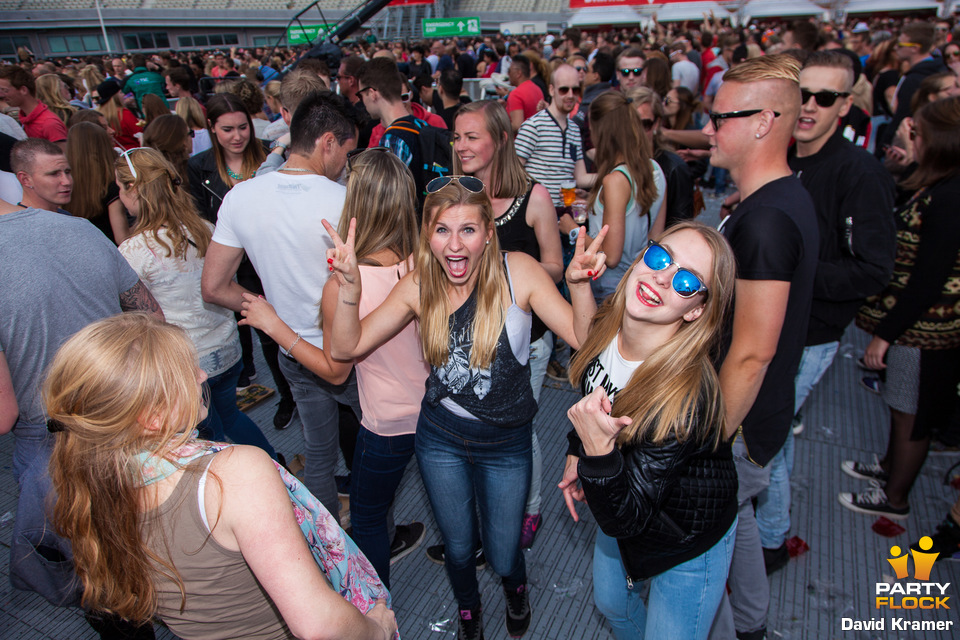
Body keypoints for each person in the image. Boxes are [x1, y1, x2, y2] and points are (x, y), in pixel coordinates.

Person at [325, 176, 607, 640]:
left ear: (489, 233)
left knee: (501, 552)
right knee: (457, 548)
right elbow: (345, 346)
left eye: (468, 230)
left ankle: (515, 588)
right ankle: (469, 612)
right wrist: (350, 288)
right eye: (441, 230)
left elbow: (584, 342)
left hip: (505, 442)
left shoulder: (520, 272)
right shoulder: (419, 284)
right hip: (441, 438)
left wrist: (578, 286)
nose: (454, 245)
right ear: (427, 233)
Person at [43, 314, 398, 640]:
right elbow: (320, 626)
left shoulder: (87, 485)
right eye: (186, 370)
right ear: (152, 417)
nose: (201, 376)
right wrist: (376, 630)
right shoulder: (232, 475)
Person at [240, 148, 426, 588]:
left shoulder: (345, 285)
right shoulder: (424, 262)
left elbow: (336, 370)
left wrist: (275, 327)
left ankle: (373, 609)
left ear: (354, 202)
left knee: (364, 518)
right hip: (435, 410)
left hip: (388, 422)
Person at [559, 222, 738, 640]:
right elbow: (596, 378)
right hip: (625, 494)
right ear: (642, 256)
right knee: (612, 604)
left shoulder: (687, 398)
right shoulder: (612, 323)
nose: (661, 276)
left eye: (686, 280)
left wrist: (596, 453)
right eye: (660, 257)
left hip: (688, 536)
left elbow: (628, 517)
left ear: (695, 310)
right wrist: (577, 448)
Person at [755, 50, 897, 574]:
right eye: (801, 94)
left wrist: (795, 272)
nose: (810, 106)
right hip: (773, 324)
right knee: (770, 433)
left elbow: (873, 269)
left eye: (825, 97)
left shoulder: (859, 174)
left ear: (847, 104)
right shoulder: (784, 156)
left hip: (810, 334)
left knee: (768, 437)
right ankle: (767, 535)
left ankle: (770, 541)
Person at [0, 195, 164, 639]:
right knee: (150, 529)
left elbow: (3, 414)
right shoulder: (76, 228)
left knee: (102, 572)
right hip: (128, 415)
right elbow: (151, 317)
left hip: (55, 443)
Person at [202, 91, 362, 522]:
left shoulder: (240, 197)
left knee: (319, 455)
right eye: (347, 152)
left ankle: (333, 553)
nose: (347, 164)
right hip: (353, 351)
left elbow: (214, 286)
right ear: (328, 142)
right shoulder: (346, 201)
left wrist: (265, 312)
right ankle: (376, 536)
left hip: (293, 350)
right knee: (376, 449)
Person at [703, 54, 818, 640]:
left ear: (764, 121)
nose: (709, 128)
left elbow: (751, 352)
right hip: (759, 416)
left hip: (739, 419)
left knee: (702, 545)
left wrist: (708, 439)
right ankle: (753, 625)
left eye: (720, 117)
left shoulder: (767, 221)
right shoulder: (771, 203)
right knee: (737, 521)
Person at [115, 147, 277, 461]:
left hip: (187, 363)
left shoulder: (132, 251)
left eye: (120, 188)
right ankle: (273, 462)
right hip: (228, 349)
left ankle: (239, 484)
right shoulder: (206, 230)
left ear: (133, 190)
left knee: (208, 434)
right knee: (230, 415)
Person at [845, 97, 960, 520]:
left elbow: (928, 280)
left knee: (911, 415)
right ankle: (889, 468)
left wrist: (885, 335)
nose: (913, 137)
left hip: (925, 331)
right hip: (916, 327)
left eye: (919, 134)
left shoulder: (950, 197)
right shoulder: (937, 182)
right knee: (899, 407)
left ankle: (895, 498)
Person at [188, 92, 293, 428]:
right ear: (212, 129)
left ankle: (291, 397)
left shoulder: (272, 155)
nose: (237, 136)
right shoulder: (197, 167)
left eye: (243, 127)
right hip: (230, 266)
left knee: (278, 332)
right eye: (227, 129)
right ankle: (267, 389)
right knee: (249, 332)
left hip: (270, 260)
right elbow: (199, 219)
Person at [580, 90, 666, 302]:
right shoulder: (654, 169)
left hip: (608, 288)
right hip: (638, 282)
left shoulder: (615, 180)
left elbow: (612, 256)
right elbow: (655, 237)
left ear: (601, 131)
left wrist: (572, 231)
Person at [514, 64, 594, 208]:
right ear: (552, 90)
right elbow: (512, 172)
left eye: (575, 90)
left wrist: (613, 174)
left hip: (564, 213)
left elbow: (581, 178)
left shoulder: (574, 129)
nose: (570, 95)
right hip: (536, 213)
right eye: (564, 90)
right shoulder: (534, 125)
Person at [628, 87, 696, 227]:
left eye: (644, 124)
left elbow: (680, 228)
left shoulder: (674, 168)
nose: (636, 132)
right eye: (631, 123)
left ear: (657, 123)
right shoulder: (618, 161)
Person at [65, 122, 130, 244]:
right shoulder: (110, 185)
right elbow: (122, 238)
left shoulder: (64, 185)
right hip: (108, 249)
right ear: (102, 147)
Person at [0, 65, 68, 145]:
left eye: (5, 90)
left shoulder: (48, 123)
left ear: (23, 90)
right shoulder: (24, 120)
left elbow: (62, 155)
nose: (1, 95)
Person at [10, 137, 73, 214]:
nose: (67, 182)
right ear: (25, 179)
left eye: (67, 172)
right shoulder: (15, 224)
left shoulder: (67, 217)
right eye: (54, 174)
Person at [143, 114, 192, 184]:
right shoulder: (194, 172)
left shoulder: (144, 175)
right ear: (183, 141)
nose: (192, 138)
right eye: (191, 133)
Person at [97, 78, 141, 150]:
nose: (123, 94)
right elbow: (139, 134)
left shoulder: (99, 116)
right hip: (133, 153)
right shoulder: (124, 114)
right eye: (120, 92)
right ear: (115, 97)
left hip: (113, 154)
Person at [505, 55, 545, 132]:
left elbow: (517, 125)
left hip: (521, 142)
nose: (508, 74)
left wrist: (501, 125)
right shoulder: (537, 89)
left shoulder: (516, 94)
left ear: (518, 73)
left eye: (509, 71)